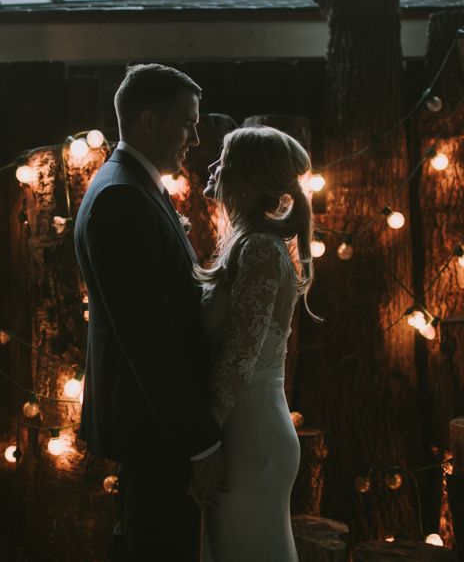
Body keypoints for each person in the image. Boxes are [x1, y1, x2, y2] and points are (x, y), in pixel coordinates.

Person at [74, 64, 225, 561]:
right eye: (187, 123)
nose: (196, 137)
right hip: (155, 427)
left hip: (155, 422)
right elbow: (150, 340)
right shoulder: (121, 197)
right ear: (148, 122)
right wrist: (199, 444)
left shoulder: (135, 185)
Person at [199, 125, 320, 561]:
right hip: (244, 426)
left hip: (251, 434)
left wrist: (202, 441)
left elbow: (240, 355)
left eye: (223, 161)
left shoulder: (262, 251)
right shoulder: (245, 243)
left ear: (247, 184)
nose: (213, 168)